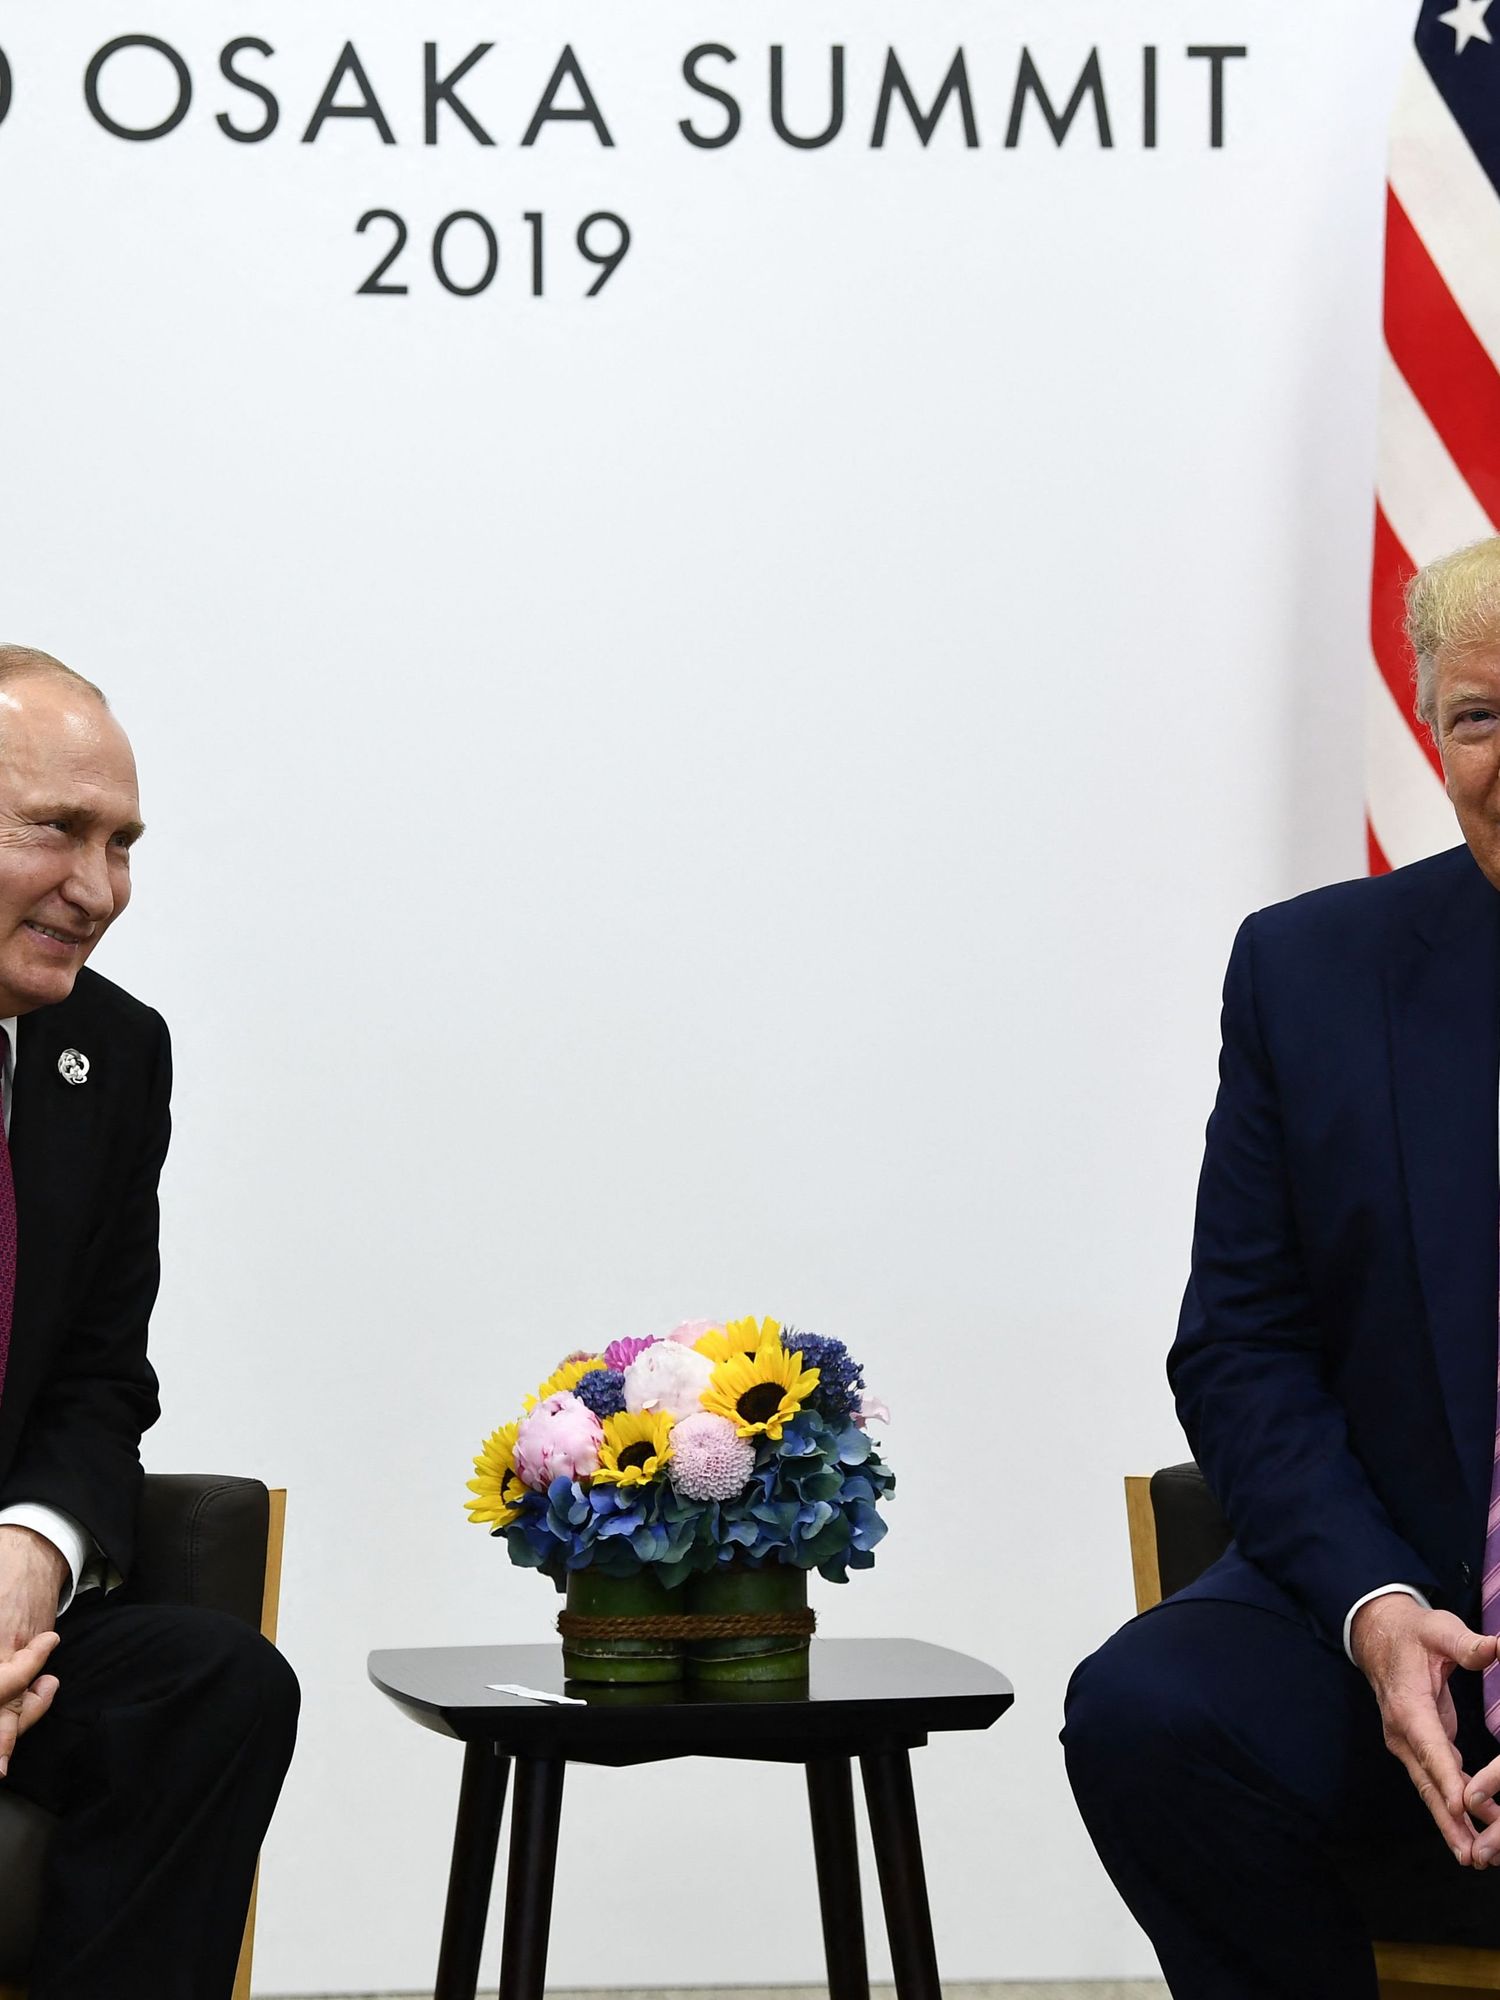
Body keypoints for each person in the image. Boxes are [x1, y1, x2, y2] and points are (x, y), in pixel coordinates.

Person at [1063, 535, 1500, 1999]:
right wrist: (1376, 1609)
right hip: (1417, 1598)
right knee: (1152, 1711)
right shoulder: (1312, 972)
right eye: (1482, 718)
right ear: (1433, 734)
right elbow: (1243, 1344)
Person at [0, 645, 298, 1999]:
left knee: (213, 1685)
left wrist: (30, 1552)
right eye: (55, 831)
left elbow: (96, 1379)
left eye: (121, 843)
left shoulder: (111, 1054)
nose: (100, 889)